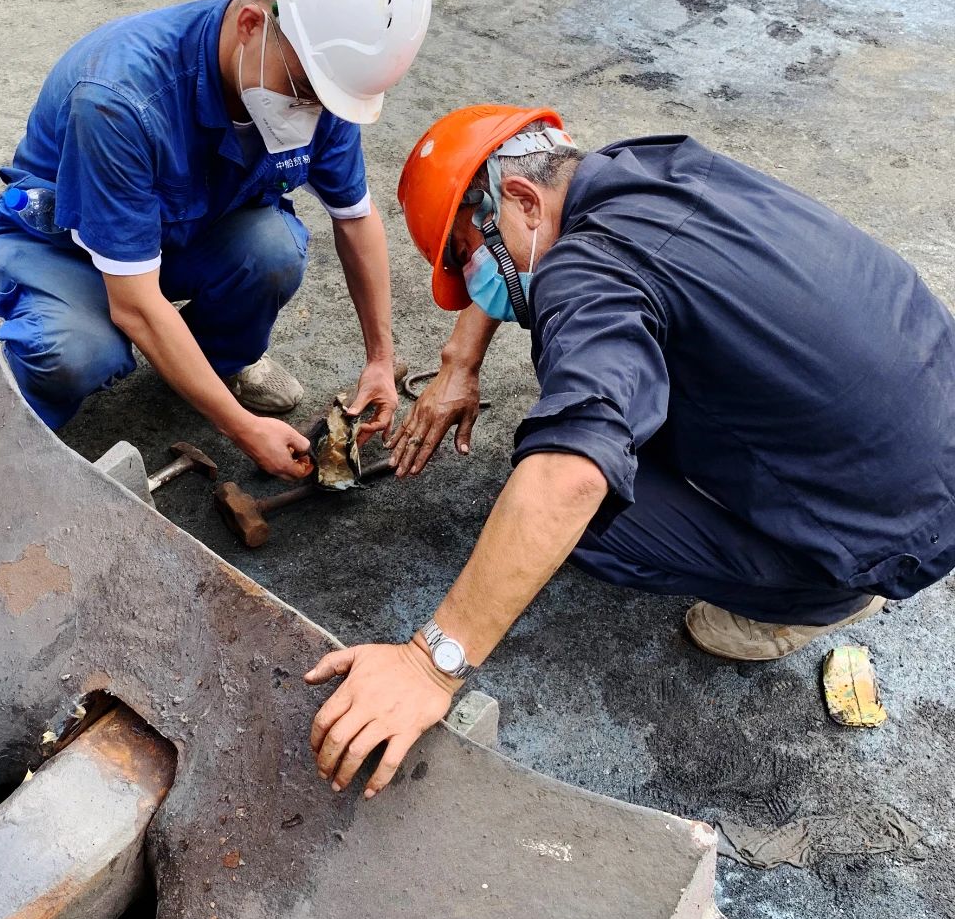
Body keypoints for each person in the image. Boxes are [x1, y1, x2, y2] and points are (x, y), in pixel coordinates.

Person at [305, 105, 955, 795]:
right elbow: (524, 239)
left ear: (522, 199)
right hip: (925, 415)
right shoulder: (648, 164)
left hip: (894, 531)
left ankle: (822, 594)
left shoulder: (587, 274)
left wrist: (428, 664)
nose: (475, 283)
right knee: (627, 379)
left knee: (577, 510)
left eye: (468, 255)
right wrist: (460, 358)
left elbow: (572, 475)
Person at [0, 0, 431, 479]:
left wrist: (382, 361)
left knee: (273, 249)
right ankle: (2, 423)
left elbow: (355, 219)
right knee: (74, 352)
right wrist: (241, 428)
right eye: (306, 91)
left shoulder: (319, 77)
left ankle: (212, 367)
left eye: (328, 100)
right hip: (65, 245)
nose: (314, 112)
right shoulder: (120, 99)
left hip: (181, 231)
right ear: (251, 25)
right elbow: (135, 303)